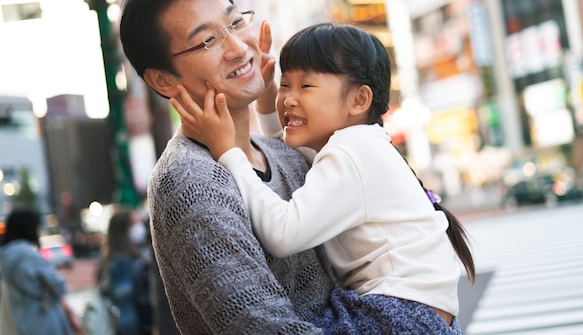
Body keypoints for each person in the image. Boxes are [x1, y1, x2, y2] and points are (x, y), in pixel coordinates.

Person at [173, 23, 476, 334]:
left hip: (397, 316)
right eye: (285, 85)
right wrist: (266, 99)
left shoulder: (349, 151)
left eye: (305, 87)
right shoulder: (360, 144)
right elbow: (287, 145)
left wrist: (228, 151)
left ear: (359, 100)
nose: (288, 98)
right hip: (414, 316)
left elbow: (283, 233)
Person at [118, 0, 335, 334]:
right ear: (163, 80)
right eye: (207, 40)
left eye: (235, 23)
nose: (238, 47)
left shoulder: (283, 154)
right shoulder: (188, 182)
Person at [0, 208, 82, 335]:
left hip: (17, 321)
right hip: (42, 322)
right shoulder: (29, 256)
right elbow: (59, 286)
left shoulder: (4, 257)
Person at [97, 210, 152, 335]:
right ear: (123, 230)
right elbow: (125, 304)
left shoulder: (129, 255)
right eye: (134, 224)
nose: (139, 228)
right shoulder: (121, 261)